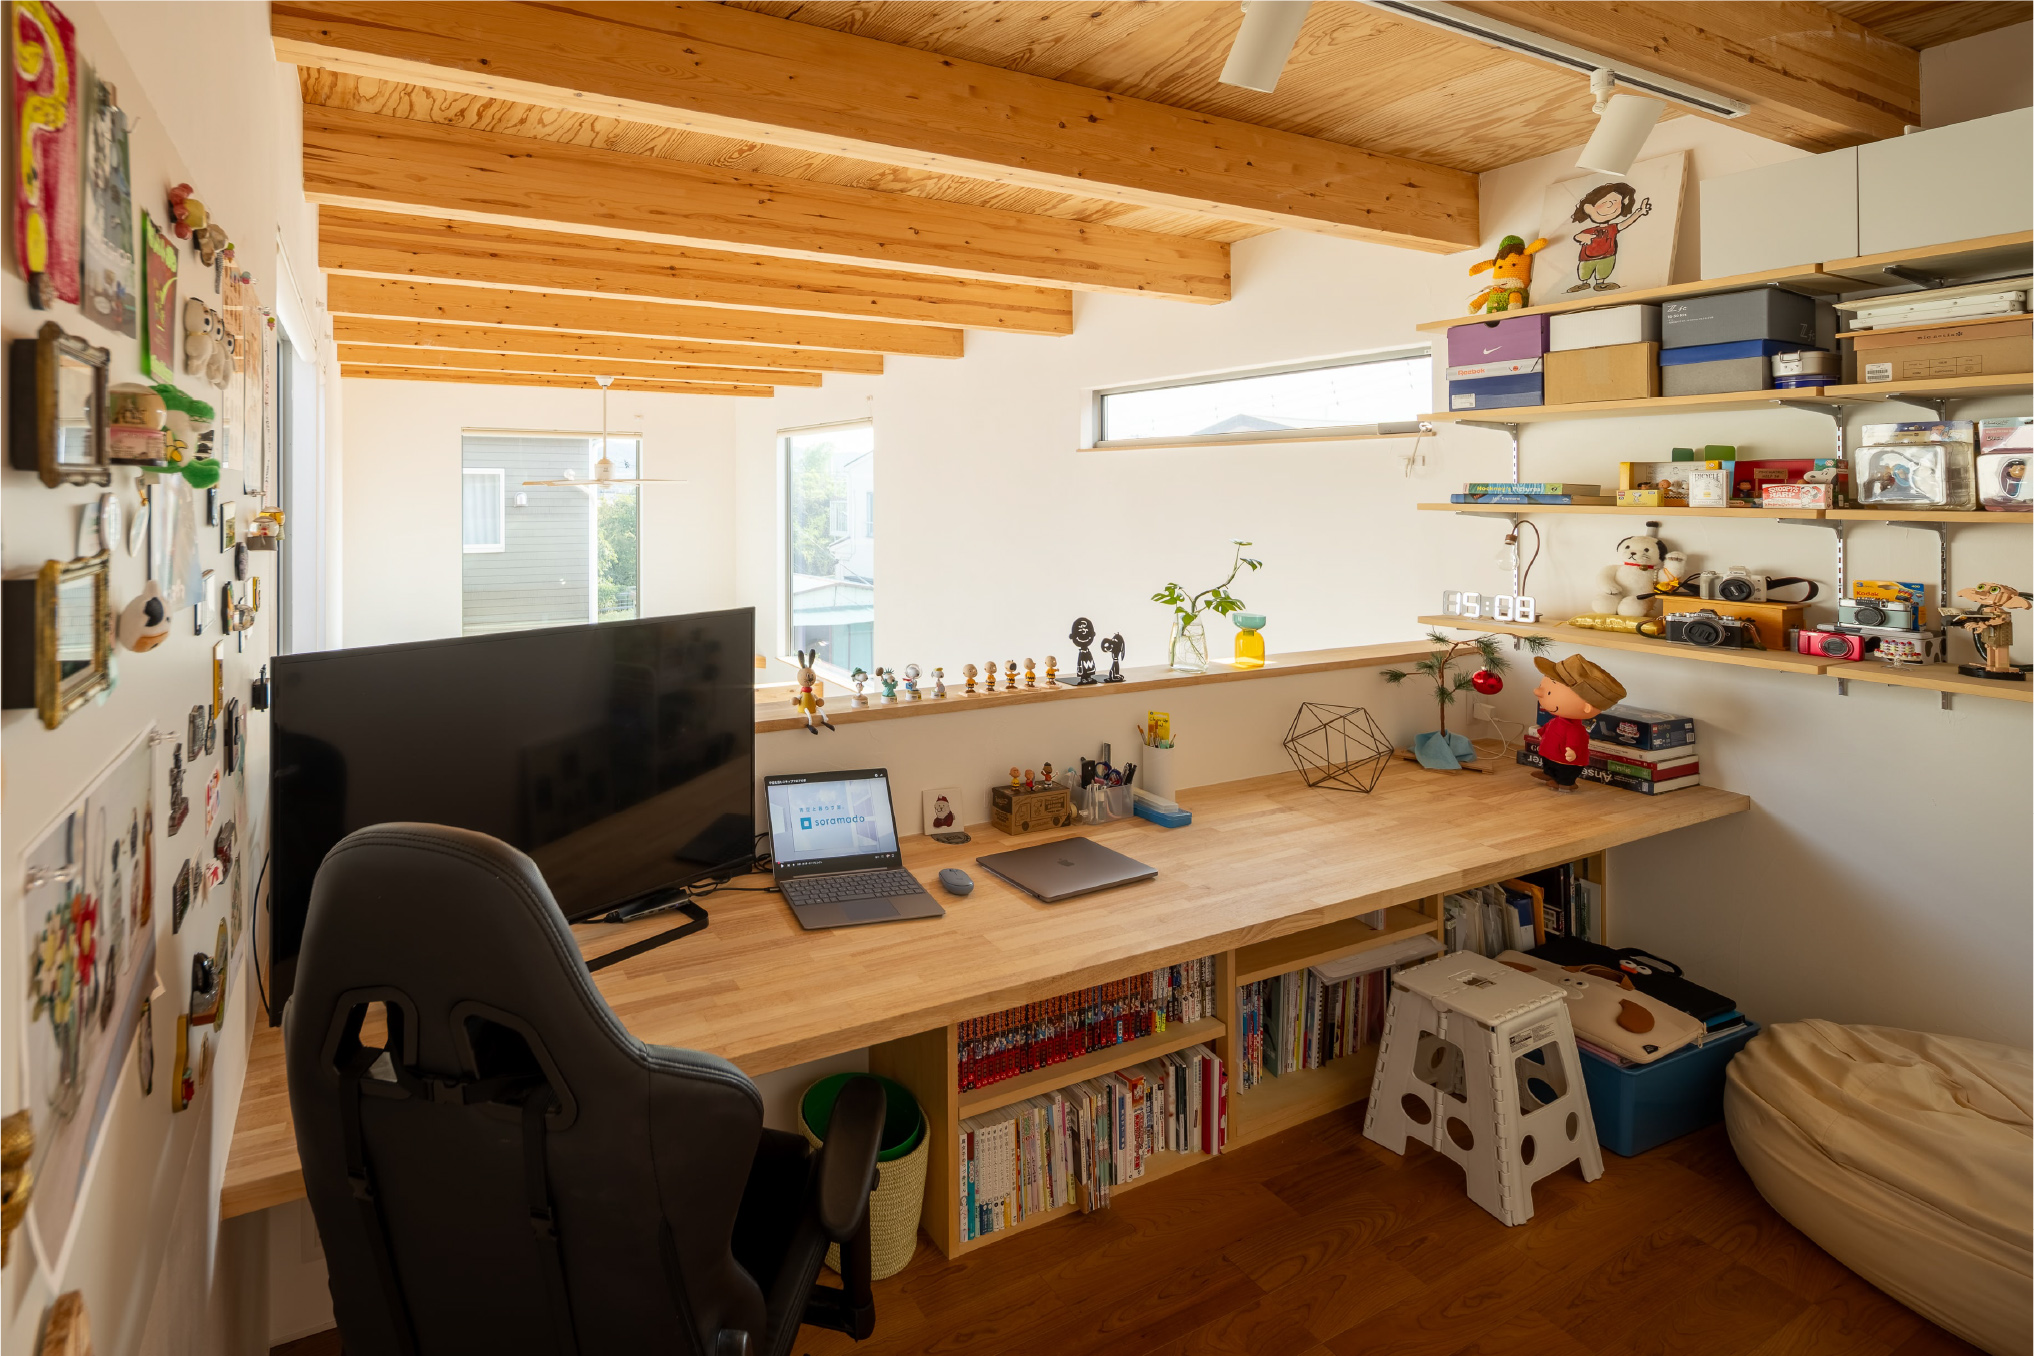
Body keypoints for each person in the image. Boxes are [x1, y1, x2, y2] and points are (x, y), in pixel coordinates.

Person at [1532, 655, 1627, 792]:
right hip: (1551, 753)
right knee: (1549, 762)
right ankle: (1549, 774)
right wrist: (1542, 733)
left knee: (1565, 770)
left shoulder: (1574, 729)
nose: (1537, 691)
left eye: (1550, 692)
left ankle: (1565, 783)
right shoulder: (1556, 721)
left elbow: (1576, 742)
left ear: (1586, 707)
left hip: (1565, 758)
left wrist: (1572, 751)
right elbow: (1548, 727)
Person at [1568, 181, 1651, 293]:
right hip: (1587, 258)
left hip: (1607, 256)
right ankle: (1584, 283)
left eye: (1616, 202)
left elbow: (1625, 223)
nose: (1610, 205)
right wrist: (1583, 237)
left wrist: (1639, 213)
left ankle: (1600, 283)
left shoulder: (1612, 228)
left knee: (1604, 270)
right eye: (1606, 201)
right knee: (1585, 271)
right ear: (1589, 208)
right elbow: (1578, 236)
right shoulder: (1590, 230)